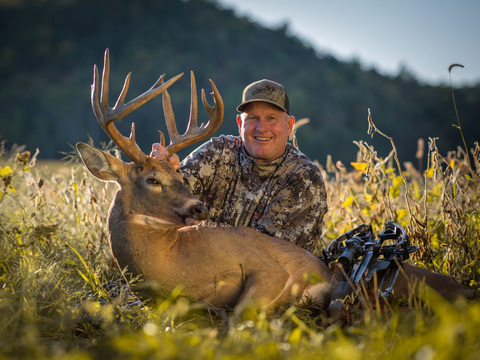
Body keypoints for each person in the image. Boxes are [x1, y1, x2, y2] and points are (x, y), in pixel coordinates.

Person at [151, 79, 327, 252]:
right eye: (253, 118)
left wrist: (193, 233)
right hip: (200, 266)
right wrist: (166, 174)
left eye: (271, 118)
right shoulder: (219, 152)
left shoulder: (303, 178)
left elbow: (265, 253)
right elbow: (170, 202)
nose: (261, 128)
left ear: (289, 126)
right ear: (240, 124)